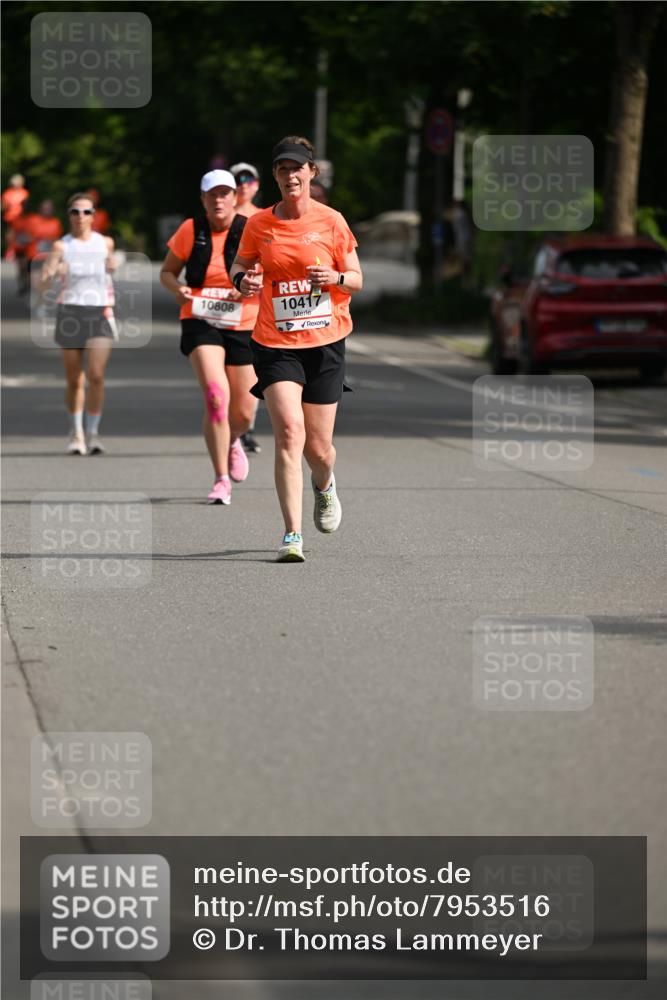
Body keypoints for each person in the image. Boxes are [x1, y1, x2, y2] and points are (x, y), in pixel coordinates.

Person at [230, 136, 363, 562]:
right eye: (283, 169)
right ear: (276, 176)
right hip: (275, 342)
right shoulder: (258, 225)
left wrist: (335, 280)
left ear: (311, 173)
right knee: (289, 432)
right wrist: (243, 281)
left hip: (325, 342)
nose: (291, 176)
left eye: (297, 168)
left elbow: (357, 278)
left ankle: (324, 485)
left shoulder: (332, 221)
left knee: (318, 449)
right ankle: (292, 534)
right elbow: (240, 266)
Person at [160, 169, 260, 505]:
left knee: (244, 412)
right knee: (217, 397)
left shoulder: (252, 229)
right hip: (200, 317)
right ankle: (220, 479)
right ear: (203, 199)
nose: (218, 200)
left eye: (224, 193)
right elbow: (167, 272)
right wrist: (179, 290)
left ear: (235, 197)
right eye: (211, 194)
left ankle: (234, 439)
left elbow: (274, 270)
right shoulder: (191, 229)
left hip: (245, 321)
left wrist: (255, 283)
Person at [39, 192, 117, 455]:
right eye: (75, 212)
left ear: (94, 216)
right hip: (70, 312)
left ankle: (93, 432)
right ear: (69, 216)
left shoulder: (105, 243)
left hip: (99, 312)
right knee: (74, 380)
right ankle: (76, 432)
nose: (80, 217)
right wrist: (53, 273)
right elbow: (42, 285)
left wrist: (113, 266)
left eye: (86, 212)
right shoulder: (62, 247)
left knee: (96, 375)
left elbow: (110, 274)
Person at [230, 161, 262, 454]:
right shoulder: (220, 217)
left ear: (257, 185)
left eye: (248, 179)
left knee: (250, 377)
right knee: (226, 383)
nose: (243, 185)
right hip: (219, 309)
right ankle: (232, 429)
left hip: (253, 310)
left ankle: (246, 429)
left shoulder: (263, 218)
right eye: (238, 179)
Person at [2, 173, 29, 259]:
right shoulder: (7, 193)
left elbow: (26, 206)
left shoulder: (24, 193)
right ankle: (10, 251)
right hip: (10, 218)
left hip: (21, 218)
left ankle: (21, 252)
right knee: (10, 236)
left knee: (21, 236)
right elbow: (3, 206)